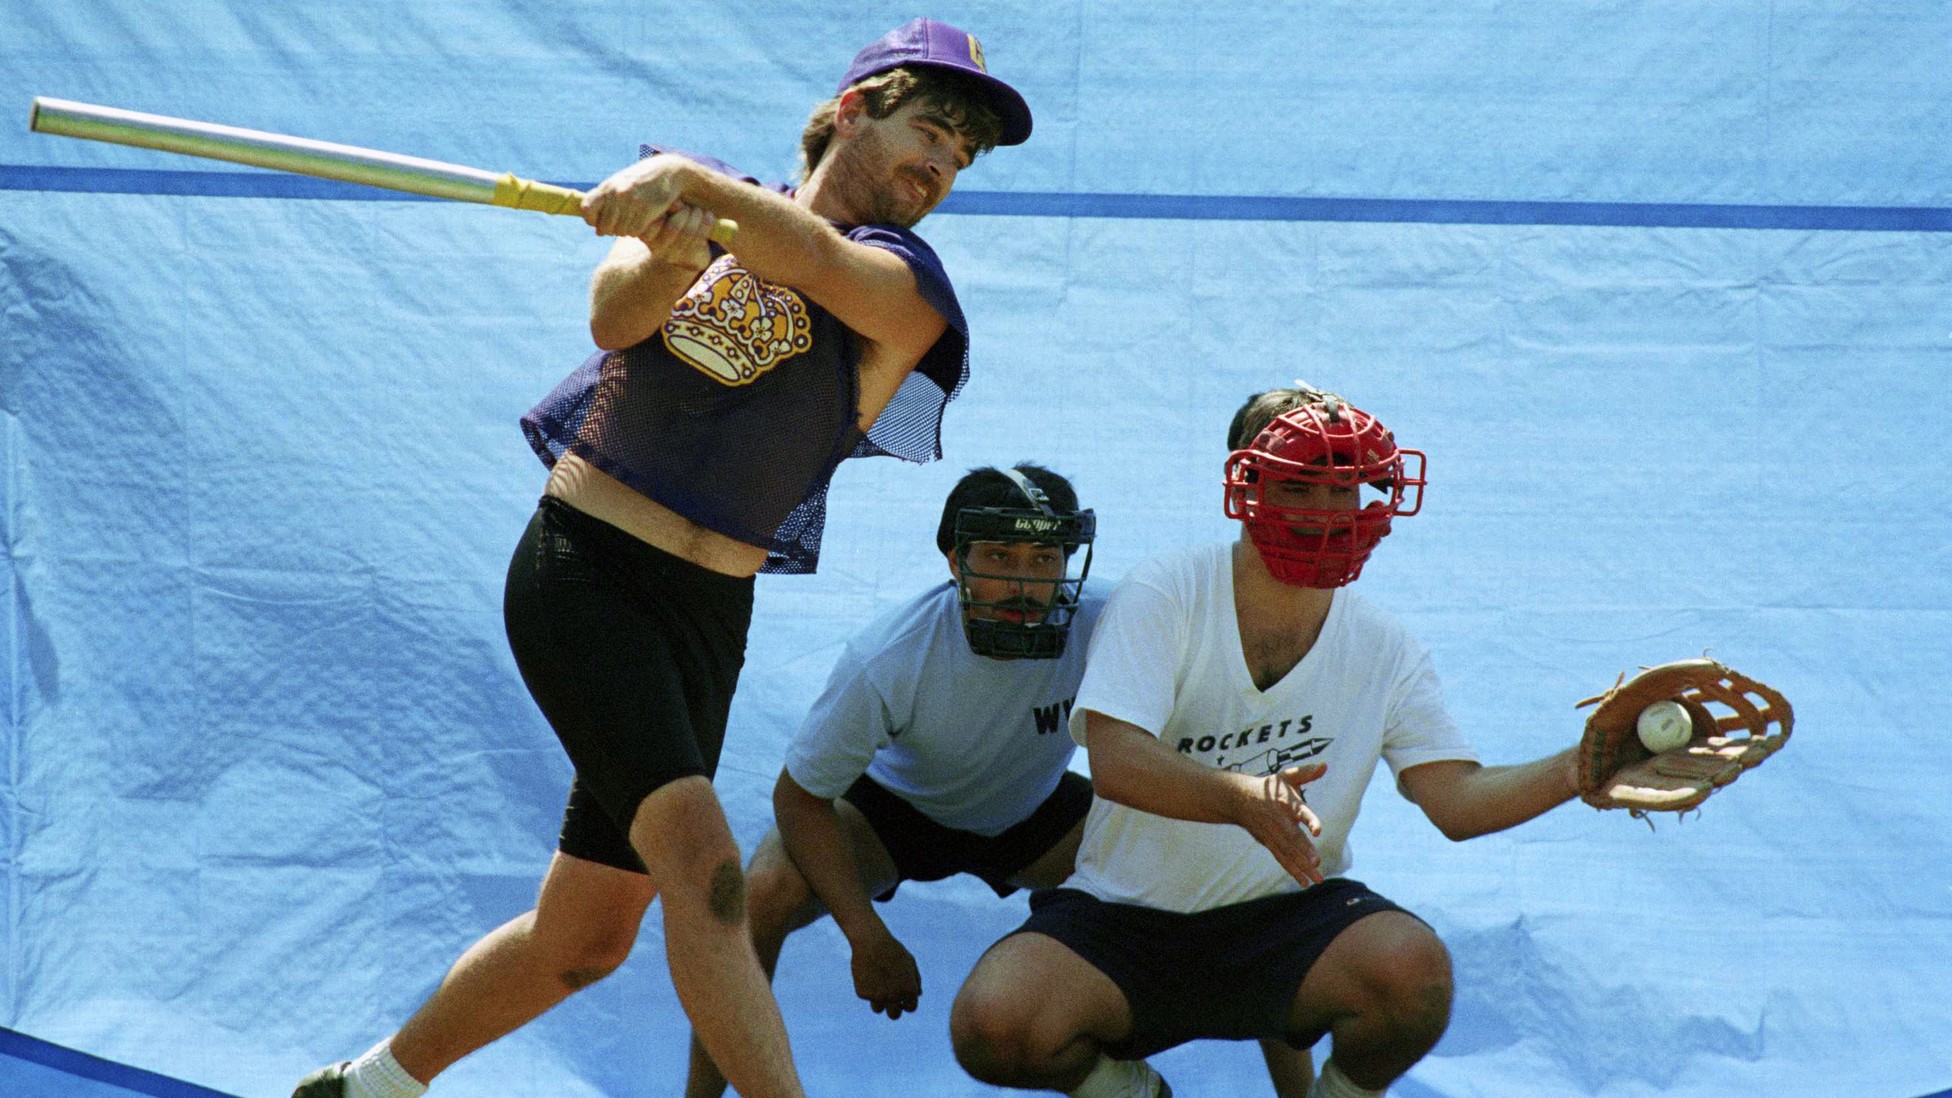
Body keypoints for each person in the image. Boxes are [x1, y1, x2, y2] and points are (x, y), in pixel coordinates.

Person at [295, 18, 1033, 1098]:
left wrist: (687, 189)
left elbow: (814, 259)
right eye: (931, 130)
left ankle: (367, 1088)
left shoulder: (905, 281)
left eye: (962, 157)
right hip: (585, 573)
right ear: (850, 111)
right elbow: (614, 317)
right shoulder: (698, 209)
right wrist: (670, 247)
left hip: (708, 618)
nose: (943, 166)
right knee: (709, 874)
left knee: (585, 937)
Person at [947, 386, 1585, 1098]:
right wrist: (1241, 799)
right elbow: (1118, 760)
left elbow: (1457, 802)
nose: (1327, 512)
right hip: (1125, 921)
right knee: (993, 1024)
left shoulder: (1386, 646)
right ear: (1245, 486)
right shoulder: (1169, 591)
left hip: (1288, 921)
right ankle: (1136, 1094)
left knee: (1413, 974)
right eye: (1298, 484)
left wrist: (1583, 768)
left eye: (1344, 489)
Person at [684, 463, 1102, 1098]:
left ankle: (1122, 1082)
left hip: (1035, 810)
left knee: (1190, 869)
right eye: (998, 555)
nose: (1023, 582)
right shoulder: (892, 654)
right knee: (761, 895)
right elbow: (798, 797)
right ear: (955, 562)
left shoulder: (1112, 622)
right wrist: (865, 934)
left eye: (1045, 559)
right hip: (892, 816)